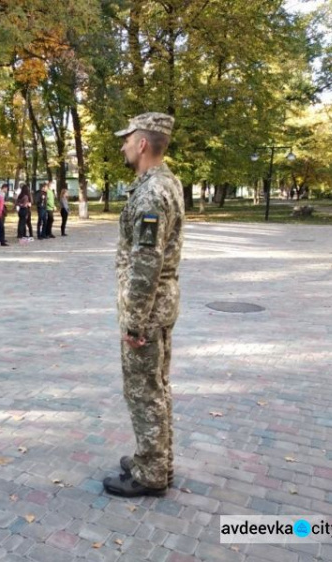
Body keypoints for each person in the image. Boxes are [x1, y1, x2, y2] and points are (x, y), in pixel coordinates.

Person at [102, 112, 184, 497]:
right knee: (157, 385)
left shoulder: (152, 192)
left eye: (126, 139)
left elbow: (145, 263)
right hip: (161, 307)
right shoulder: (165, 182)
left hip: (147, 312)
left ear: (142, 144)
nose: (122, 145)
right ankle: (157, 461)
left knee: (143, 390)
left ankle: (150, 473)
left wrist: (134, 323)